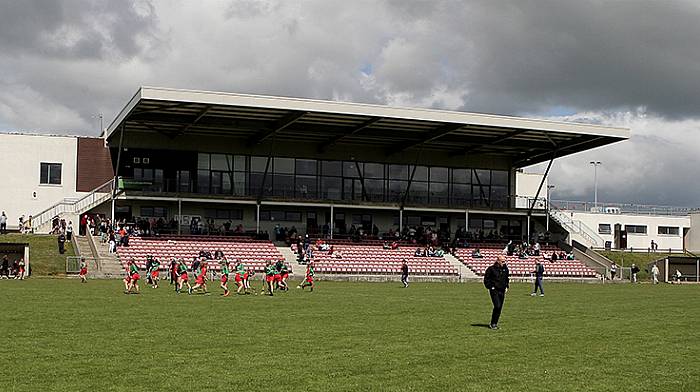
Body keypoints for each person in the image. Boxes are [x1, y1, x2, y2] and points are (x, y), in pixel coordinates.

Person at [483, 255, 509, 330]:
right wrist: (491, 287)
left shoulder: (505, 269)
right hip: (494, 290)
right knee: (497, 306)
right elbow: (486, 279)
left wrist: (506, 286)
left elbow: (506, 278)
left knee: (499, 308)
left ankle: (494, 323)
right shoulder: (491, 269)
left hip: (502, 290)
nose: (504, 263)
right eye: (502, 261)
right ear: (498, 261)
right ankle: (493, 323)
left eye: (504, 261)